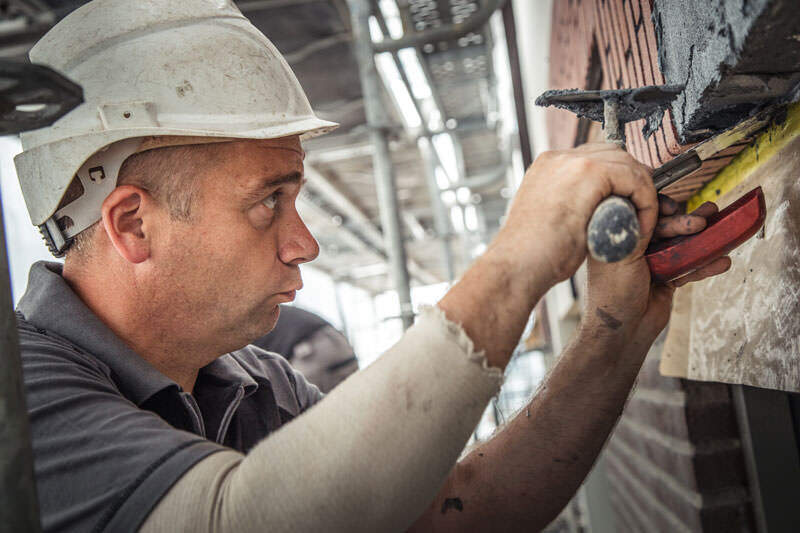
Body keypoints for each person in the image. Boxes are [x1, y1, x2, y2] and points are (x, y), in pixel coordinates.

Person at [13, 1, 731, 532]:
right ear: (133, 225)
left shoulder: (258, 384)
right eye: (269, 201)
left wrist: (611, 333)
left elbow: (450, 516)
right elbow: (236, 519)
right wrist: (514, 263)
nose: (304, 244)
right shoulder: (20, 401)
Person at [252, 305, 359, 393]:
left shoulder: (246, 325)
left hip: (312, 350)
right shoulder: (274, 310)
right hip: (336, 341)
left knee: (308, 405)